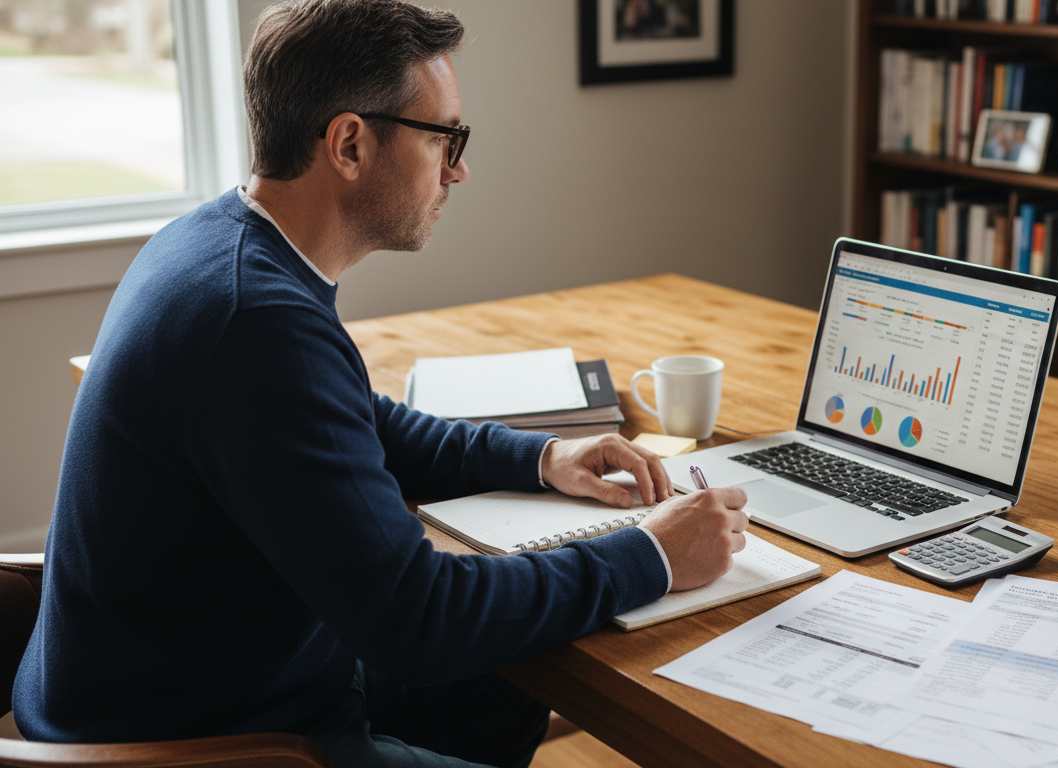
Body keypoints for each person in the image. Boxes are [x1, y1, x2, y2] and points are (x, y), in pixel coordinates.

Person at [13, 1, 749, 766]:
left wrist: (540, 459)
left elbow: (361, 419)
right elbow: (418, 617)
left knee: (510, 676)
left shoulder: (219, 244)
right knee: (496, 647)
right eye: (446, 138)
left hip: (193, 677)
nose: (460, 168)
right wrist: (652, 557)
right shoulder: (255, 320)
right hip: (215, 741)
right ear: (350, 144)